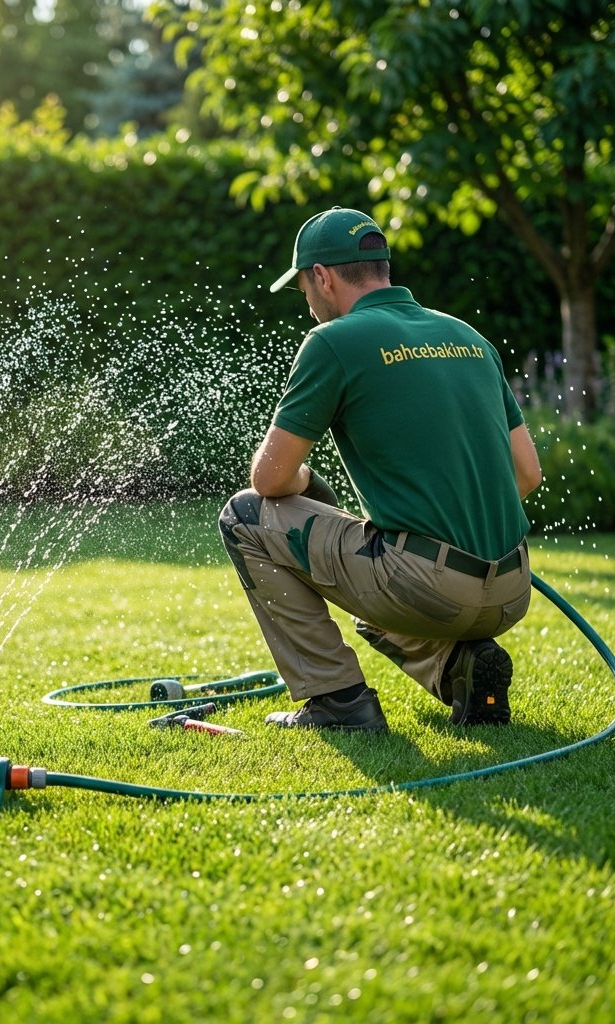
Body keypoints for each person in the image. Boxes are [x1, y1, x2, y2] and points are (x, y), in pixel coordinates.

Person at [219, 207, 542, 732]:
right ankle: (458, 666)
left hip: (425, 587)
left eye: (302, 287)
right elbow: (527, 474)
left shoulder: (333, 342)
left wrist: (304, 484)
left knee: (243, 517)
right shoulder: (468, 338)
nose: (306, 300)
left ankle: (337, 701)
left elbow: (270, 481)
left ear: (321, 276)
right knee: (373, 575)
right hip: (510, 588)